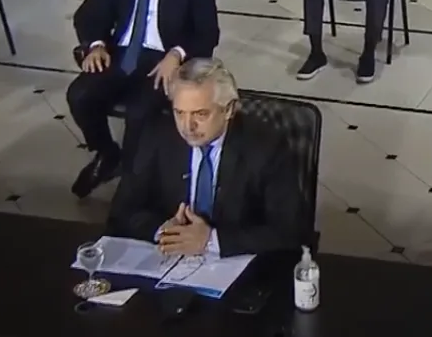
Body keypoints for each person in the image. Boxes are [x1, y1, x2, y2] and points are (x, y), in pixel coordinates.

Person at [67, 0, 220, 198]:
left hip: (163, 60)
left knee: (140, 112)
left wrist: (177, 54)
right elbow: (91, 12)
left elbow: (208, 30)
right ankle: (107, 154)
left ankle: (132, 180)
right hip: (120, 53)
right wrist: (96, 45)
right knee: (80, 95)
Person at [107, 58, 305, 257]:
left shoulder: (267, 146)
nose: (187, 126)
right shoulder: (158, 134)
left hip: (235, 262)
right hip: (172, 260)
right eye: (179, 113)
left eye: (200, 114)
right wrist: (164, 231)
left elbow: (288, 231)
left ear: (228, 110)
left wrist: (211, 240)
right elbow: (122, 210)